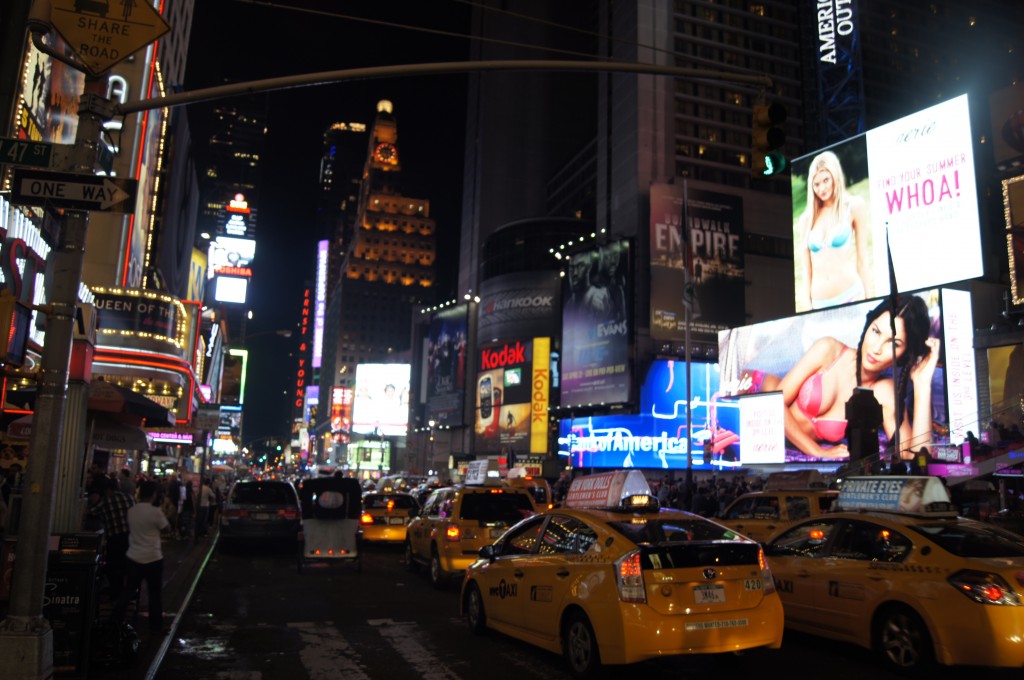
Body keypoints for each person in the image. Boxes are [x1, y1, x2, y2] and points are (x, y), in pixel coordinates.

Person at [759, 295, 940, 460]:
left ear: (904, 353)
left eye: (893, 343)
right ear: (868, 325)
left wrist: (922, 384)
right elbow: (771, 403)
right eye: (876, 331)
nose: (876, 348)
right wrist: (816, 451)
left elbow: (913, 456)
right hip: (756, 392)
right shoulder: (829, 350)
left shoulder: (883, 392)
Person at [797, 150, 872, 311]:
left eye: (826, 180)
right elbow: (806, 269)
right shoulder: (806, 220)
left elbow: (862, 260)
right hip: (819, 304)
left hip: (852, 296)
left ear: (835, 177)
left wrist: (870, 302)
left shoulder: (854, 207)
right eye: (816, 184)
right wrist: (808, 307)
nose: (822, 188)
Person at [114, 481, 169, 635]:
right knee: (154, 594)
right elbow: (166, 528)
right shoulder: (155, 512)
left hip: (133, 557)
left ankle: (116, 619)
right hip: (153, 557)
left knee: (129, 590)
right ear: (153, 495)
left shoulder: (131, 511)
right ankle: (155, 627)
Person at [90, 477, 135, 599]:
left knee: (113, 566)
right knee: (128, 565)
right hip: (132, 538)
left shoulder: (105, 501)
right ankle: (129, 591)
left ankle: (116, 591)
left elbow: (92, 512)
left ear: (108, 490)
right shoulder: (129, 498)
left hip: (115, 539)